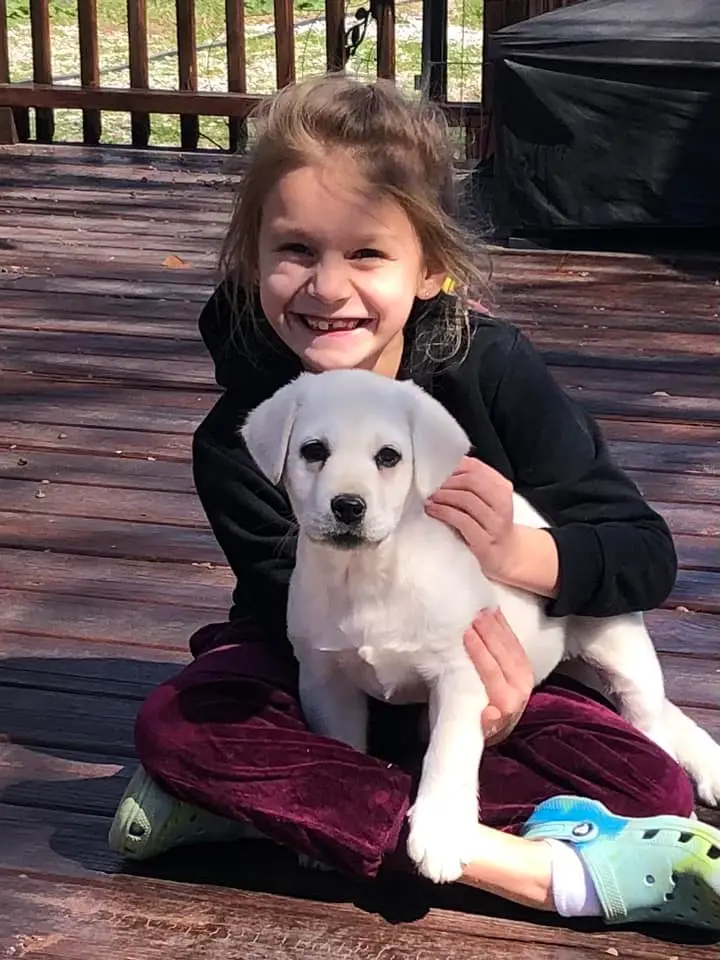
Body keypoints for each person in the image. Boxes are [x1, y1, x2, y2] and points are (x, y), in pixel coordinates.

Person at [108, 74, 720, 931]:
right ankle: (548, 866)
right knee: (179, 724)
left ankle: (280, 812)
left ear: (431, 266)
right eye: (294, 251)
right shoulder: (242, 436)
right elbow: (316, 631)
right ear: (253, 257)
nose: (327, 288)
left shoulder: (494, 372)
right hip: (323, 667)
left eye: (366, 253)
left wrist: (517, 561)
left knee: (648, 777)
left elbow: (641, 555)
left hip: (498, 657)